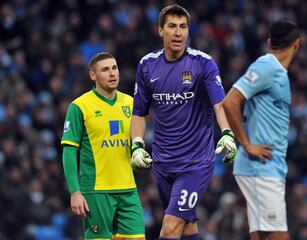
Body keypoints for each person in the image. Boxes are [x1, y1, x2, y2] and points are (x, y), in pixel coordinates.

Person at [130, 4, 237, 240]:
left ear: (188, 31)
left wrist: (227, 133)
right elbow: (139, 112)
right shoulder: (147, 65)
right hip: (162, 162)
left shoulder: (202, 63)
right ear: (161, 30)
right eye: (172, 27)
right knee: (186, 227)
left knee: (169, 227)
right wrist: (137, 144)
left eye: (183, 27)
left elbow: (219, 104)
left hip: (195, 163)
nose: (178, 33)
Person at [222, 19, 300, 240]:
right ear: (297, 44)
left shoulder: (276, 72)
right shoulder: (267, 66)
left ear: (269, 41)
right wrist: (246, 144)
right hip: (260, 167)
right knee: (278, 236)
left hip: (268, 167)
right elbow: (230, 101)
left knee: (261, 235)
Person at [61, 52, 145, 240]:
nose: (112, 73)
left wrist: (139, 153)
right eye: (105, 70)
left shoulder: (130, 103)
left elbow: (136, 141)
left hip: (128, 189)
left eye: (114, 68)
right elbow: (69, 152)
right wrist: (75, 192)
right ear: (93, 75)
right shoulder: (80, 106)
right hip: (97, 191)